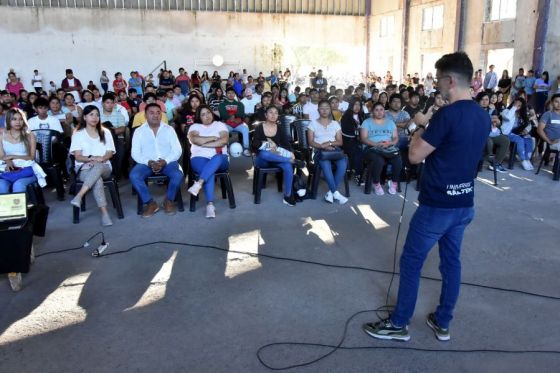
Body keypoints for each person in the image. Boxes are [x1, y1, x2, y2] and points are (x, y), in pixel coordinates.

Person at [363, 52, 490, 342]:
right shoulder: (483, 116)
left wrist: (421, 124)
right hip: (464, 202)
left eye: (438, 80)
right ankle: (442, 322)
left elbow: (415, 155)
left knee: (411, 261)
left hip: (437, 205)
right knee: (451, 262)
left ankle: (399, 323)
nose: (437, 86)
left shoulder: (446, 115)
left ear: (449, 80)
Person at [130, 103, 183, 217]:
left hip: (167, 162)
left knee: (177, 175)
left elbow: (177, 150)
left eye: (158, 113)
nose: (155, 115)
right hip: (146, 163)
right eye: (151, 112)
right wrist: (148, 162)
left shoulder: (169, 129)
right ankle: (150, 203)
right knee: (134, 176)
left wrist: (165, 161)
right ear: (145, 115)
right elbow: (135, 153)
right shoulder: (139, 131)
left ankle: (168, 201)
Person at [69, 105, 116, 226]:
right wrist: (91, 158)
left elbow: (110, 152)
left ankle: (79, 195)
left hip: (104, 166)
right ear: (84, 117)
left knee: (99, 166)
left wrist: (101, 159)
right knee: (97, 180)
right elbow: (77, 156)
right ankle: (105, 214)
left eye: (97, 114)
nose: (95, 117)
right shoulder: (78, 134)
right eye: (91, 114)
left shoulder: (105, 132)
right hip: (84, 167)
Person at [251, 105, 304, 206]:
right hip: (263, 160)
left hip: (278, 158)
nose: (273, 115)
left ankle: (288, 196)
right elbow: (254, 144)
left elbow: (286, 143)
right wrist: (267, 144)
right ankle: (290, 161)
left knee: (287, 166)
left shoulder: (279, 128)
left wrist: (291, 152)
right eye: (270, 112)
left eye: (276, 113)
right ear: (266, 115)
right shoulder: (259, 127)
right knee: (264, 153)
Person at [185, 105, 230, 218]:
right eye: (203, 114)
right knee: (209, 171)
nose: (207, 116)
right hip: (199, 157)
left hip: (221, 159)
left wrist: (204, 143)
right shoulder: (194, 126)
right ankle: (210, 205)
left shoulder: (220, 125)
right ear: (199, 117)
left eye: (208, 113)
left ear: (212, 113)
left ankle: (199, 183)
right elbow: (195, 140)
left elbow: (223, 141)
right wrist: (214, 138)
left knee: (218, 157)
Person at [307, 99, 348, 204]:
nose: (324, 110)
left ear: (330, 110)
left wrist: (329, 144)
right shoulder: (313, 124)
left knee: (343, 164)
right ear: (318, 110)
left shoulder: (335, 124)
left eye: (327, 108)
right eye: (322, 108)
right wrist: (322, 146)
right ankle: (335, 193)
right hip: (319, 151)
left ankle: (331, 192)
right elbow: (311, 142)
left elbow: (340, 142)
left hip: (334, 150)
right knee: (326, 164)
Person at [360, 102, 401, 195]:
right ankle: (376, 183)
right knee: (379, 160)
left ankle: (394, 183)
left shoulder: (390, 122)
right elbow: (363, 139)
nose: (379, 112)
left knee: (398, 159)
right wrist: (376, 144)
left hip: (388, 147)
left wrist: (389, 143)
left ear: (384, 111)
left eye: (381, 109)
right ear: (372, 112)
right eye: (376, 110)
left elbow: (395, 138)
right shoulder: (367, 122)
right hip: (371, 148)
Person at [0, 108, 38, 194]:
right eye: (14, 119)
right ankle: (4, 208)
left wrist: (13, 156)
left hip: (26, 170)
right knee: (1, 185)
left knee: (18, 185)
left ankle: (22, 207)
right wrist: (8, 161)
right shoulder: (2, 136)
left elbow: (31, 157)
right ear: (8, 120)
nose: (18, 122)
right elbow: (2, 156)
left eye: (21, 119)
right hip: (7, 170)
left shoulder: (30, 135)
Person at [501, 97, 535, 170]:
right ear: (513, 103)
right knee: (519, 139)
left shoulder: (522, 114)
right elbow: (508, 117)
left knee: (529, 139)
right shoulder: (506, 111)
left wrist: (526, 130)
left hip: (518, 133)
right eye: (516, 104)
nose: (517, 106)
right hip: (507, 133)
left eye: (519, 105)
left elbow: (529, 124)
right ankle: (523, 160)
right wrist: (514, 107)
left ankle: (527, 159)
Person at [218, 87, 250, 156]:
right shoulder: (222, 104)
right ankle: (225, 150)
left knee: (245, 128)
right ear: (226, 94)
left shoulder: (239, 104)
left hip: (238, 124)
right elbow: (223, 114)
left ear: (235, 94)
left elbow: (241, 114)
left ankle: (245, 149)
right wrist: (234, 116)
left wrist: (233, 116)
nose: (231, 94)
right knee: (223, 130)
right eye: (229, 93)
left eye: (232, 93)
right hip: (227, 124)